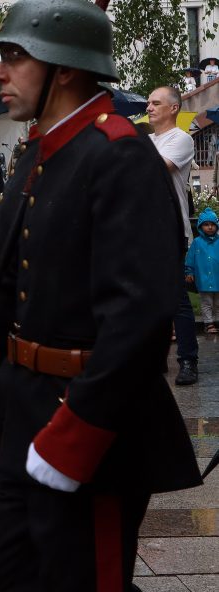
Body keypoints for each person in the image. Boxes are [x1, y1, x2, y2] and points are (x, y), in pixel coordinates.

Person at [0, 1, 202, 592]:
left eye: (14, 56)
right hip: (26, 405)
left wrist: (73, 439)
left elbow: (138, 320)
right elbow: (0, 281)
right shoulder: (46, 153)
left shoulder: (118, 157)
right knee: (13, 583)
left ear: (67, 70)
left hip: (91, 421)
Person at [147, 85, 199, 385]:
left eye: (156, 103)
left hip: (170, 229)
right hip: (141, 230)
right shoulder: (147, 140)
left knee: (177, 299)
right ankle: (155, 359)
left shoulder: (181, 139)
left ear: (174, 108)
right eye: (149, 103)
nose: (150, 108)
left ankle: (188, 360)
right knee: (146, 298)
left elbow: (154, 169)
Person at [186, 207, 219, 333]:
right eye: (206, 224)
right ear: (200, 226)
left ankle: (216, 321)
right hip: (203, 279)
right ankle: (208, 323)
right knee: (207, 302)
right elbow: (190, 259)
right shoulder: (197, 243)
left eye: (212, 224)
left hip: (217, 277)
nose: (210, 227)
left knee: (217, 303)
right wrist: (189, 272)